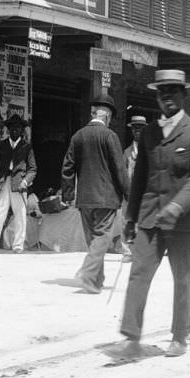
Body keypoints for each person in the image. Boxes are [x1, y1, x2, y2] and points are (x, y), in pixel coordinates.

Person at [104, 70, 190, 361]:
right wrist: (130, 218)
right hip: (149, 218)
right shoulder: (150, 132)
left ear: (183, 95)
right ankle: (132, 337)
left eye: (174, 91)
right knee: (138, 274)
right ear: (157, 97)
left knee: (183, 278)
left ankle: (179, 337)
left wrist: (177, 206)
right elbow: (139, 179)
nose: (168, 97)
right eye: (163, 92)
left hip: (183, 222)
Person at [61, 94, 128, 293]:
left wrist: (67, 194)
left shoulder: (78, 136)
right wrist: (129, 194)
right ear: (107, 116)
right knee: (102, 238)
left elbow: (67, 168)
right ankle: (88, 274)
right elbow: (119, 168)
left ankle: (95, 281)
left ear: (93, 113)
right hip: (106, 198)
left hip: (85, 198)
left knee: (93, 240)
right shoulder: (110, 136)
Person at [0, 114, 37, 254]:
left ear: (22, 130)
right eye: (12, 128)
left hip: (19, 184)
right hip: (2, 182)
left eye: (18, 128)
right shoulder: (1, 145)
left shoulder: (26, 147)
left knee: (20, 215)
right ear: (8, 130)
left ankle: (18, 246)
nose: (14, 130)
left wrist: (25, 182)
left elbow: (32, 169)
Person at [120, 115, 147, 262]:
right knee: (126, 221)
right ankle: (127, 252)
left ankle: (142, 251)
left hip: (145, 193)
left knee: (144, 222)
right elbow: (122, 173)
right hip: (129, 193)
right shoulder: (126, 152)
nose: (137, 131)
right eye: (135, 128)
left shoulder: (150, 150)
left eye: (140, 128)